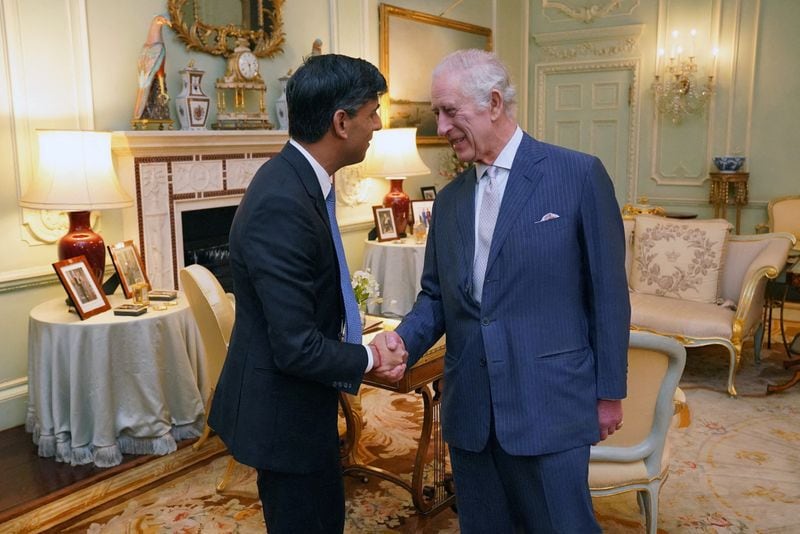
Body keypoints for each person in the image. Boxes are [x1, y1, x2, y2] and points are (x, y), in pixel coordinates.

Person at [375, 49, 631, 533]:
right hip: (472, 412)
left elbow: (609, 297)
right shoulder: (449, 201)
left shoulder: (576, 176)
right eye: (437, 112)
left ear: (494, 103)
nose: (442, 125)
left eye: (451, 111)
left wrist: (609, 393)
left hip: (550, 406)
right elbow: (436, 297)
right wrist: (402, 343)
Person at [207, 54, 407, 534]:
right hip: (283, 416)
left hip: (300, 407)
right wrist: (367, 359)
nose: (377, 124)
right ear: (341, 122)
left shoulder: (299, 180)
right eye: (371, 112)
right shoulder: (284, 200)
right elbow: (295, 347)